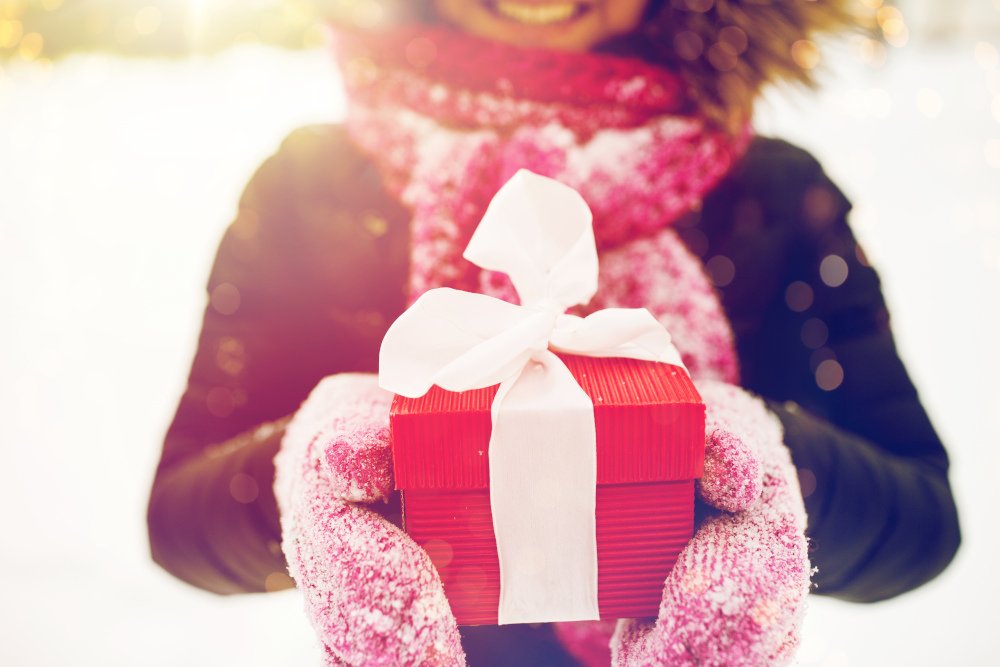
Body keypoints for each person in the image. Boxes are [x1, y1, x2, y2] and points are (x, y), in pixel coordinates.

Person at [147, 1, 961, 665]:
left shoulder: (773, 193)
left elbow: (922, 521)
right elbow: (180, 521)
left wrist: (774, 460)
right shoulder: (309, 187)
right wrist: (313, 462)